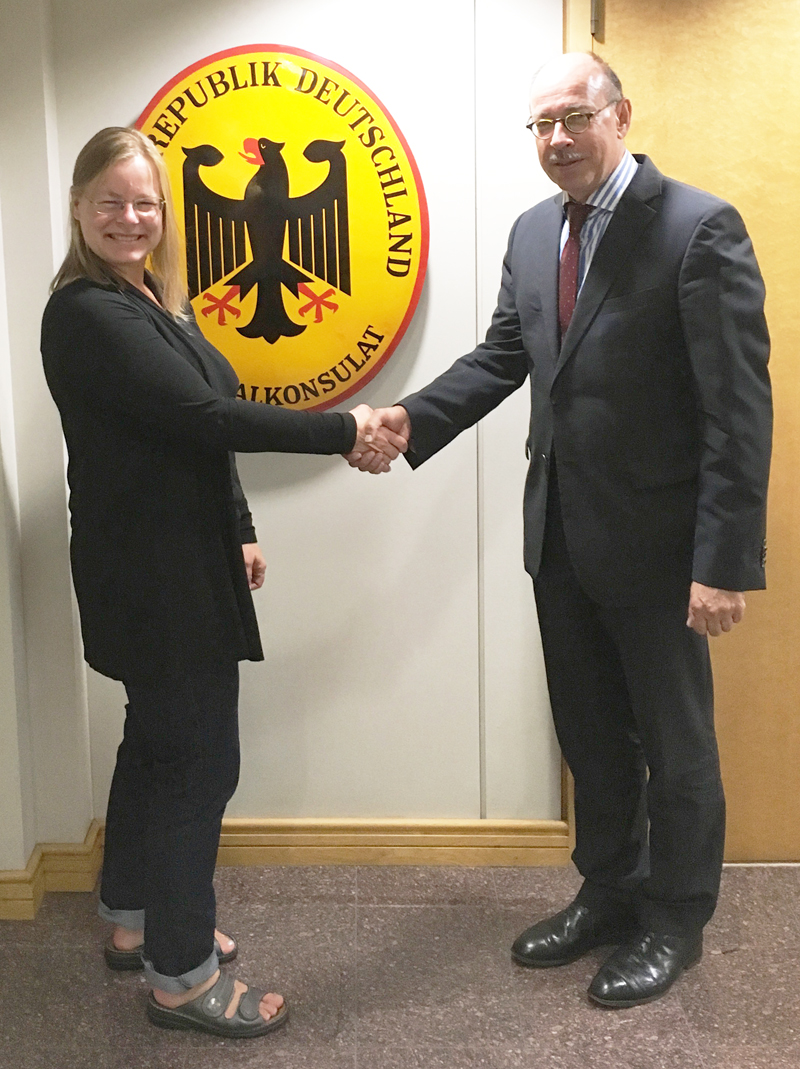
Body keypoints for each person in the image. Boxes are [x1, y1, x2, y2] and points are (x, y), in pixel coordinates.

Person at [348, 52, 772, 1007]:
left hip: (663, 551)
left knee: (677, 741)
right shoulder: (536, 232)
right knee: (589, 732)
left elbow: (738, 409)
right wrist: (412, 420)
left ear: (619, 114)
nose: (556, 140)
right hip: (561, 540)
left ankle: (674, 920)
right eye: (539, 126)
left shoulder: (698, 229)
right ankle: (608, 891)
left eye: (573, 119)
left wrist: (722, 561)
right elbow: (506, 354)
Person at [41, 126, 404, 1038]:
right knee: (198, 762)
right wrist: (345, 428)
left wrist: (239, 526)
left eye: (145, 203)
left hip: (180, 561)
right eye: (111, 201)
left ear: (164, 215)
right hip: (152, 576)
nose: (130, 217)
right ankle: (181, 975)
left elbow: (188, 434)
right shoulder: (85, 312)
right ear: (80, 207)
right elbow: (204, 415)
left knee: (155, 745)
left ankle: (133, 917)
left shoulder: (154, 303)